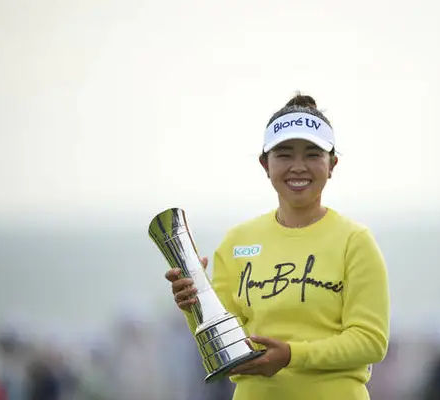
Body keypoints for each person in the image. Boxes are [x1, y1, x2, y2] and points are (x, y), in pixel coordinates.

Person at [165, 93, 390, 400]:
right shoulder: (237, 243)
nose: (298, 167)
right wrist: (195, 305)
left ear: (332, 164)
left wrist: (291, 355)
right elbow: (225, 350)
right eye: (284, 155)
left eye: (313, 154)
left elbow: (370, 342)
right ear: (265, 164)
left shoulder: (355, 241)